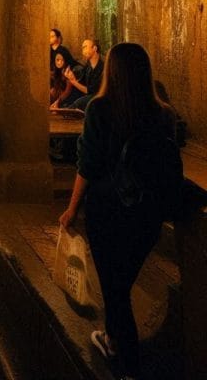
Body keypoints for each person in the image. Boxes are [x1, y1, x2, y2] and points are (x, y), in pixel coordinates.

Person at [60, 43, 183, 380]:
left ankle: (127, 366)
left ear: (111, 71)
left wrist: (71, 209)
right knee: (122, 284)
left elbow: (87, 165)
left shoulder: (100, 109)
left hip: (107, 212)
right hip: (147, 216)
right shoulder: (164, 114)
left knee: (115, 291)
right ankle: (114, 340)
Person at [66, 38, 104, 110]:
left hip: (102, 97)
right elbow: (81, 83)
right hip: (90, 96)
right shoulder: (88, 65)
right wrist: (72, 78)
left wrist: (74, 82)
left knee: (79, 103)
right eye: (82, 48)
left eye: (85, 47)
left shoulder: (104, 65)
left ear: (95, 48)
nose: (83, 50)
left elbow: (91, 90)